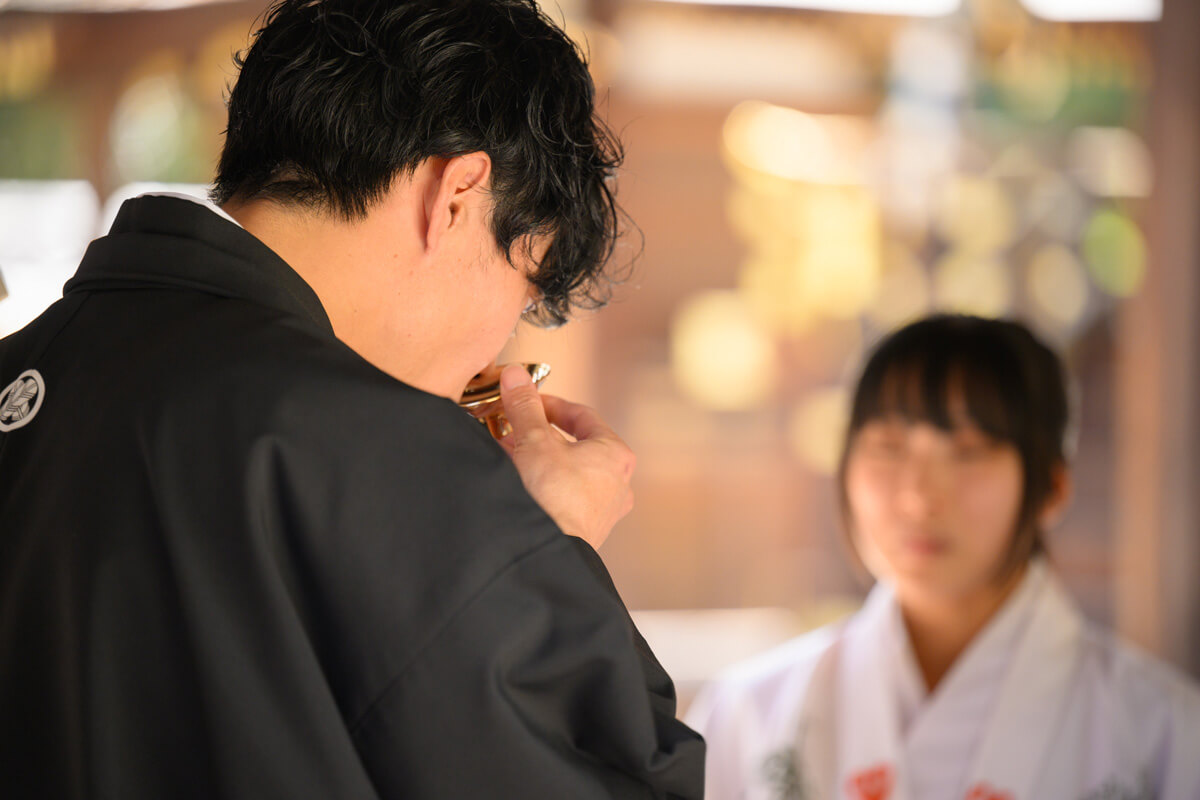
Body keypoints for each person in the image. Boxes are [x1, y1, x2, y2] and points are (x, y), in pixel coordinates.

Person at [0, 1, 704, 797]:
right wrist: (550, 550)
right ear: (460, 195)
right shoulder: (388, 456)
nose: (496, 350)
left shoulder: (25, 369)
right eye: (521, 291)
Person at [685, 314, 1200, 800]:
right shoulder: (749, 713)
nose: (918, 497)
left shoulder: (1160, 730)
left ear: (1051, 487)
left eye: (969, 451)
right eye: (888, 447)